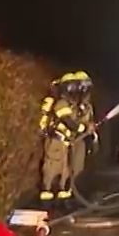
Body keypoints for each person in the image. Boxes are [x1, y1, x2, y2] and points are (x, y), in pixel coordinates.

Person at [38, 72, 88, 203]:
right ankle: (46, 198)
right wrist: (80, 128)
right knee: (52, 168)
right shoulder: (61, 102)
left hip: (65, 142)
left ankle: (63, 198)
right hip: (56, 140)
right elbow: (66, 119)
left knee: (65, 170)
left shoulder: (73, 103)